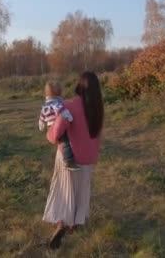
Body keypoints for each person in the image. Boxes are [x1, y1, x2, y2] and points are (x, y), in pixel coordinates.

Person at [42, 72, 104, 250]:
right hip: (89, 158)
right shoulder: (98, 108)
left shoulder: (68, 106)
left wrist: (49, 133)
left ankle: (62, 224)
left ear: (79, 86)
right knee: (81, 191)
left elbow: (55, 135)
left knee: (64, 190)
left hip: (69, 157)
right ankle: (76, 222)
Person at [38, 80, 80, 171]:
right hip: (57, 125)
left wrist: (41, 123)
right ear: (58, 92)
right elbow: (62, 111)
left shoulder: (45, 105)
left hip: (50, 126)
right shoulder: (57, 103)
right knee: (65, 142)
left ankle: (64, 157)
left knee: (61, 141)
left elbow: (42, 115)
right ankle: (69, 161)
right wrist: (69, 117)